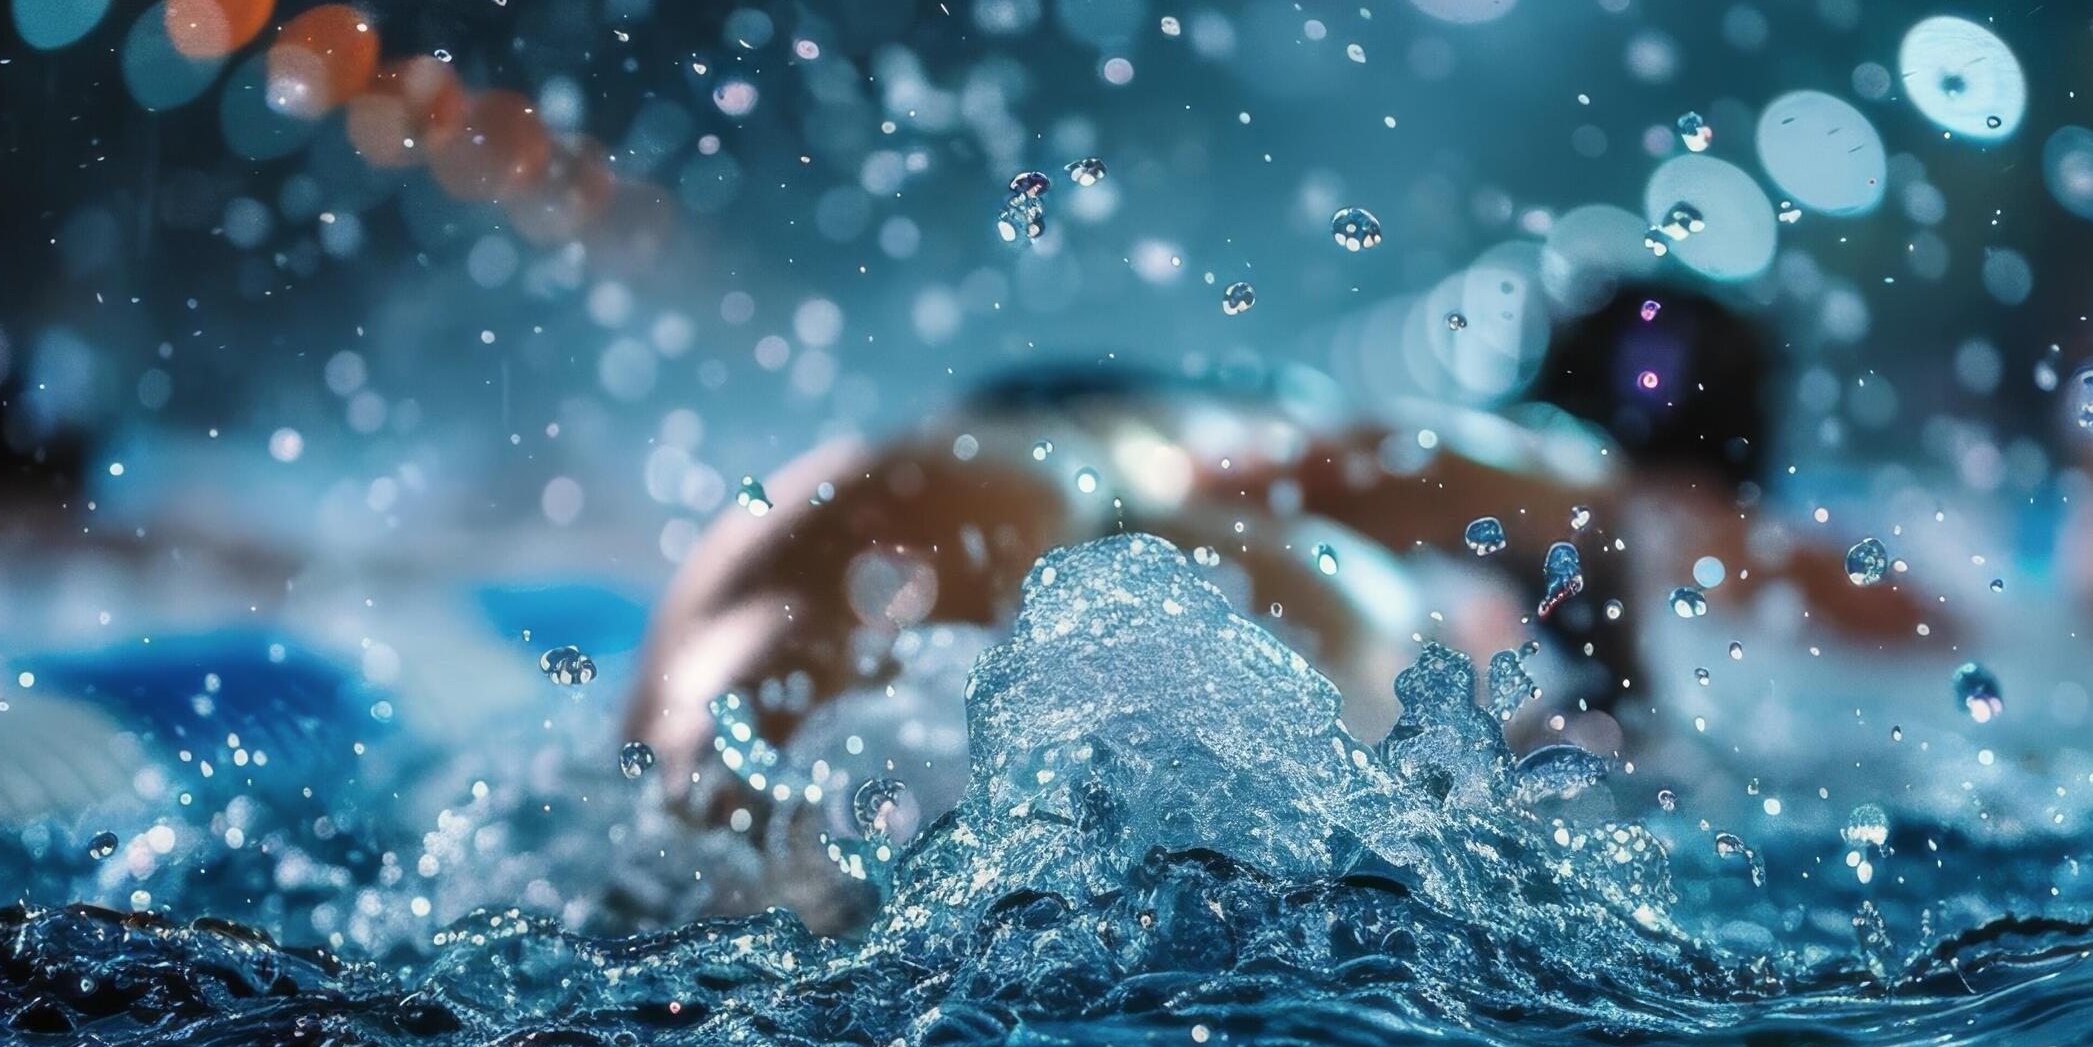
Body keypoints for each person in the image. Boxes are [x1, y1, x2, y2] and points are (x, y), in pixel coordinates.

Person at [625, 285, 1933, 808]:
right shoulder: (1427, 484)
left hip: (828, 512)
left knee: (699, 876)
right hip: (1180, 594)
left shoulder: (961, 468)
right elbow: (1580, 497)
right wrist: (1633, 708)